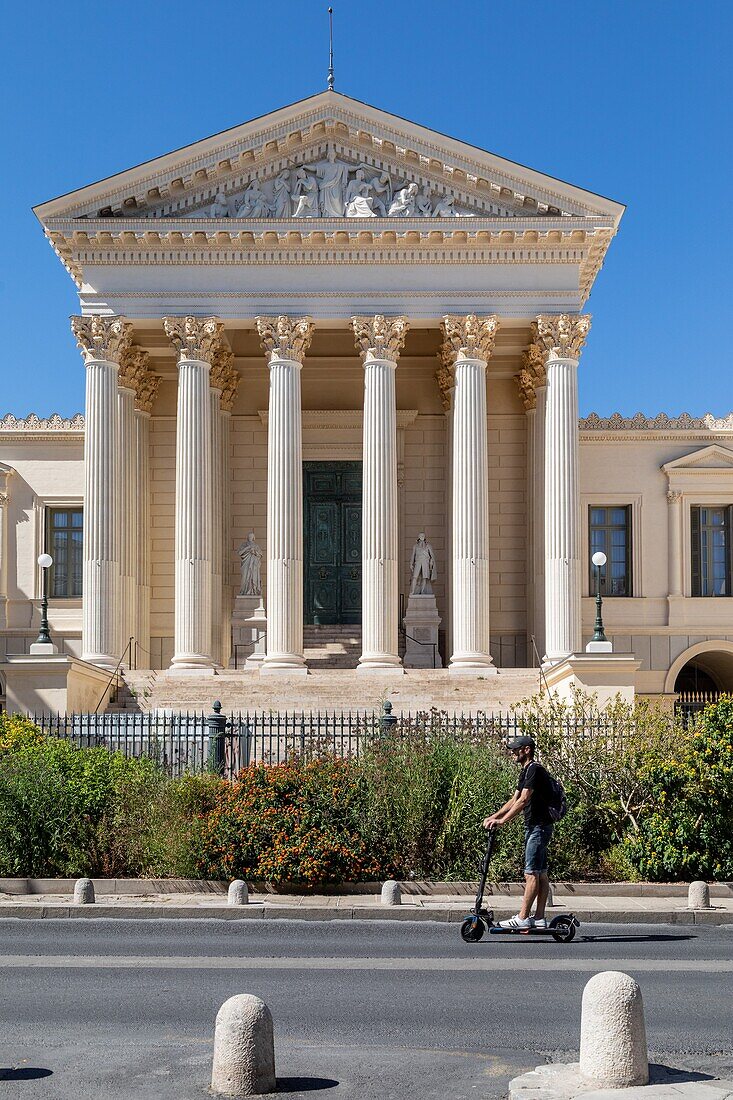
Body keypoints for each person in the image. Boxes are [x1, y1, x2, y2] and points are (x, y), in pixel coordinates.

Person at [483, 734, 555, 930]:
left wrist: (503, 822)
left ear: (527, 750)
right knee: (540, 873)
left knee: (531, 873)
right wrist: (494, 816)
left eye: (516, 749)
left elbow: (523, 801)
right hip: (535, 826)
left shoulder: (534, 770)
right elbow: (514, 800)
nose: (513, 752)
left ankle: (524, 917)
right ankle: (539, 918)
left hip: (538, 827)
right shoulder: (526, 771)